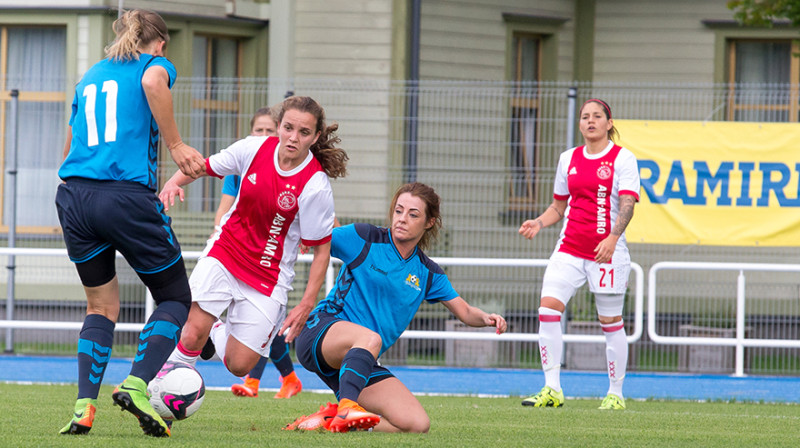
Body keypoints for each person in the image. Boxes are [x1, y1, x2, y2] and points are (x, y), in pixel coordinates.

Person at [55, 9, 205, 437]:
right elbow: (153, 83)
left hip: (74, 196)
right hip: (124, 196)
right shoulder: (155, 64)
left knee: (100, 306)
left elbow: (70, 142)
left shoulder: (90, 76)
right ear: (160, 43)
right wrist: (175, 144)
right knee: (175, 297)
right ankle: (138, 385)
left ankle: (85, 406)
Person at [158, 96, 347, 405]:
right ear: (278, 126)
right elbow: (204, 167)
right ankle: (162, 396)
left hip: (268, 278)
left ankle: (214, 331)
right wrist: (171, 183)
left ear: (314, 138)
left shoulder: (315, 185)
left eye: (303, 132)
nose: (293, 138)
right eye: (288, 128)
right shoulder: (252, 148)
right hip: (226, 253)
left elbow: (321, 252)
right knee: (191, 332)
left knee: (239, 364)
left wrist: (306, 304)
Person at [285, 182, 508, 433]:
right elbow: (319, 239)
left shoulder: (428, 273)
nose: (402, 219)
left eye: (413, 214)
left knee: (416, 424)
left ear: (429, 222)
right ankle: (347, 406)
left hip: (360, 358)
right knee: (370, 338)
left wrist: (487, 318)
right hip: (320, 335)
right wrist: (306, 234)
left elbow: (465, 312)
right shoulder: (365, 238)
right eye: (399, 210)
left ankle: (328, 421)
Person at [518, 99, 639, 411]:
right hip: (569, 248)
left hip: (606, 253)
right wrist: (539, 222)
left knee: (610, 321)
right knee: (547, 311)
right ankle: (552, 389)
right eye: (585, 116)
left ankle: (615, 394)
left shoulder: (622, 159)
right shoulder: (568, 158)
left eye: (597, 116)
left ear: (609, 123)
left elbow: (628, 203)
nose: (590, 121)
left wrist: (613, 238)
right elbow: (559, 206)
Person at [209, 104, 303, 400]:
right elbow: (223, 210)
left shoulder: (295, 168)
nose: (263, 135)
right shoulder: (242, 163)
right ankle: (287, 379)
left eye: (268, 130)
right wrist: (219, 236)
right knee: (256, 327)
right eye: (258, 130)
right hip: (239, 255)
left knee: (266, 325)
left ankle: (255, 381)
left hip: (270, 262)